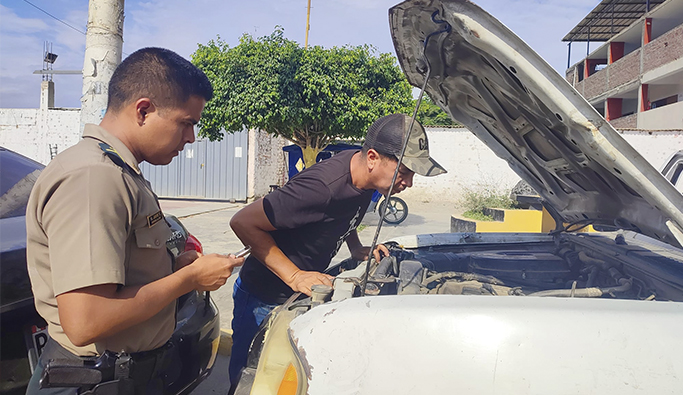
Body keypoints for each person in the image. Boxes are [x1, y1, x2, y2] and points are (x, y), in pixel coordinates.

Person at [25, 47, 243, 394]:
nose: (191, 138)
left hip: (124, 375)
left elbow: (124, 269)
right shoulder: (93, 178)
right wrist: (188, 279)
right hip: (94, 380)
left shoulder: (120, 171)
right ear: (143, 110)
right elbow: (85, 321)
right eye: (186, 123)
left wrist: (172, 267)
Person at [227, 113, 446, 388]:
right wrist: (295, 276)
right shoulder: (320, 188)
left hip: (297, 296)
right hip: (264, 297)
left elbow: (344, 214)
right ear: (373, 158)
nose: (409, 183)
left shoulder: (365, 181)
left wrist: (356, 249)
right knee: (251, 381)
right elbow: (243, 222)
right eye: (404, 172)